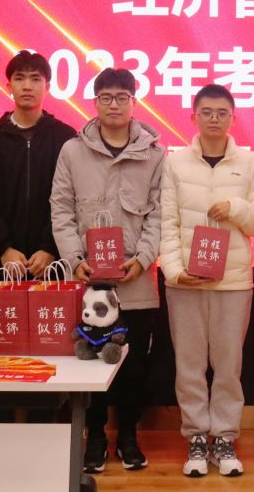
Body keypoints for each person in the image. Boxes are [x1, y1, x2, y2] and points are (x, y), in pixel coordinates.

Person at [50, 67, 166, 475]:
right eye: (106, 97)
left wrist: (143, 258)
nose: (113, 104)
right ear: (95, 101)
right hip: (88, 281)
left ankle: (128, 435)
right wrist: (74, 259)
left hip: (136, 279)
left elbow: (159, 214)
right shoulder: (72, 151)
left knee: (134, 367)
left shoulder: (154, 153)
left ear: (134, 101)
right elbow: (61, 209)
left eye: (121, 97)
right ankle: (95, 436)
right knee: (91, 361)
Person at [157, 84, 254, 479]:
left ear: (233, 118)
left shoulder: (250, 164)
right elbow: (167, 222)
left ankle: (225, 437)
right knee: (188, 366)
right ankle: (196, 437)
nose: (214, 119)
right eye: (207, 112)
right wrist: (173, 271)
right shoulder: (175, 163)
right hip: (186, 282)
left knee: (228, 366)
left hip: (233, 283)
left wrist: (234, 207)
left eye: (222, 113)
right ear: (194, 117)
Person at [0, 48, 77, 279]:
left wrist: (50, 248)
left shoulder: (66, 138)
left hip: (54, 266)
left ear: (47, 87)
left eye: (35, 79)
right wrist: (3, 248)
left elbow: (73, 200)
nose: (27, 86)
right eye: (19, 78)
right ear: (8, 86)